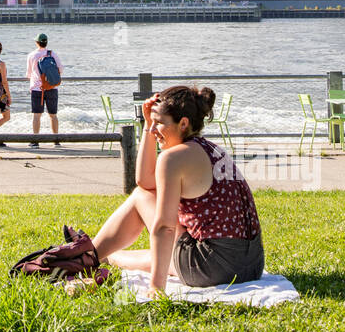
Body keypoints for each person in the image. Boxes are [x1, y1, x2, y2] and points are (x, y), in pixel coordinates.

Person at [92, 85, 264, 292]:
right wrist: (148, 124)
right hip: (251, 265)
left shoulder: (173, 158)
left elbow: (165, 226)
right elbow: (145, 180)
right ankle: (98, 256)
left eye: (159, 124)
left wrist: (156, 287)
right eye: (152, 124)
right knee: (121, 254)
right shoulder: (211, 149)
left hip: (212, 267)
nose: (154, 130)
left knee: (140, 197)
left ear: (183, 123)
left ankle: (86, 256)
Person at [25, 33, 63, 148]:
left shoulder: (31, 55)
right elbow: (60, 69)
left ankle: (35, 141)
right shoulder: (52, 54)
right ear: (46, 42)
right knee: (53, 115)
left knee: (37, 116)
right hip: (52, 87)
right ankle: (56, 140)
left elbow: (28, 74)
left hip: (37, 89)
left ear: (37, 43)